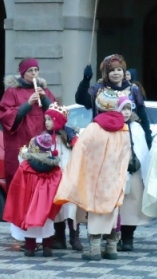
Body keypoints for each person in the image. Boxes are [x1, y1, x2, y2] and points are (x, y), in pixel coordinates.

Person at [54, 88, 131, 261]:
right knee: (112, 210)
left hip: (95, 177)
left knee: (95, 211)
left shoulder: (93, 128)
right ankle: (111, 248)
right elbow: (126, 154)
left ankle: (94, 249)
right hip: (115, 177)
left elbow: (79, 151)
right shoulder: (124, 129)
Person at [0, 58, 55, 190]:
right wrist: (28, 104)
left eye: (36, 70)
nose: (34, 73)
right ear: (23, 73)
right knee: (20, 183)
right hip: (20, 143)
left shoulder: (44, 91)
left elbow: (55, 114)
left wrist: (44, 99)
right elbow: (5, 116)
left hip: (41, 144)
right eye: (30, 71)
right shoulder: (12, 92)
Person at [3, 132, 62, 257]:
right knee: (47, 225)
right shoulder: (55, 169)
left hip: (30, 203)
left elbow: (18, 186)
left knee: (30, 224)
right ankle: (47, 248)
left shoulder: (26, 166)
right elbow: (58, 185)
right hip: (46, 206)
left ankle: (30, 248)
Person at [75, 55, 152, 149]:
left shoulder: (133, 90)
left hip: (129, 142)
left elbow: (143, 117)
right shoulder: (98, 89)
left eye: (119, 70)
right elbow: (80, 99)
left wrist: (147, 138)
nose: (116, 73)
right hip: (103, 140)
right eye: (112, 70)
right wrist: (85, 80)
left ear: (124, 72)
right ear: (106, 73)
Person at [44, 102, 84, 251]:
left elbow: (79, 153)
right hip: (53, 178)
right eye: (46, 119)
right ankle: (59, 237)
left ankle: (75, 237)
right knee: (57, 209)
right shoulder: (44, 138)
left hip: (69, 177)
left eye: (50, 119)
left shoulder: (70, 137)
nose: (46, 122)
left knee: (71, 207)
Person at [116, 96, 150, 251]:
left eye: (129, 109)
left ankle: (128, 237)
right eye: (123, 108)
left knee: (132, 205)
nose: (126, 112)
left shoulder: (136, 127)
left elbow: (143, 150)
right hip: (116, 172)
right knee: (117, 206)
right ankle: (114, 237)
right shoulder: (112, 126)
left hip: (134, 171)